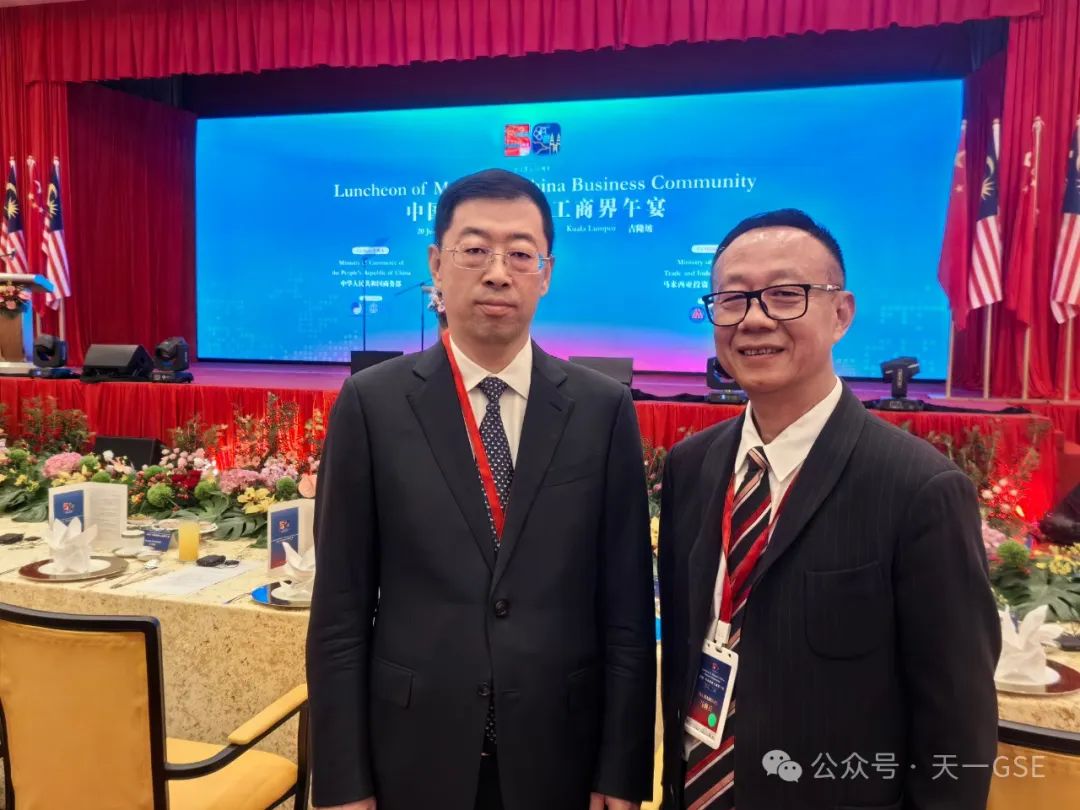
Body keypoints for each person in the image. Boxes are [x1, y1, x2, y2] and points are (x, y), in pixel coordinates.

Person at [307, 168, 656, 810]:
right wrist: (342, 781)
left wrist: (623, 769)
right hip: (413, 751)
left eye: (520, 254)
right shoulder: (371, 404)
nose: (498, 272)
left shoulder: (602, 410)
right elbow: (340, 613)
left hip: (561, 754)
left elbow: (628, 615)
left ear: (545, 273)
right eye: (475, 251)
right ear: (437, 266)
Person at [657, 209, 1001, 809]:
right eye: (732, 300)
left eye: (786, 295)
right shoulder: (691, 466)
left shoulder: (919, 489)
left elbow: (959, 722)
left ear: (842, 313)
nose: (755, 318)